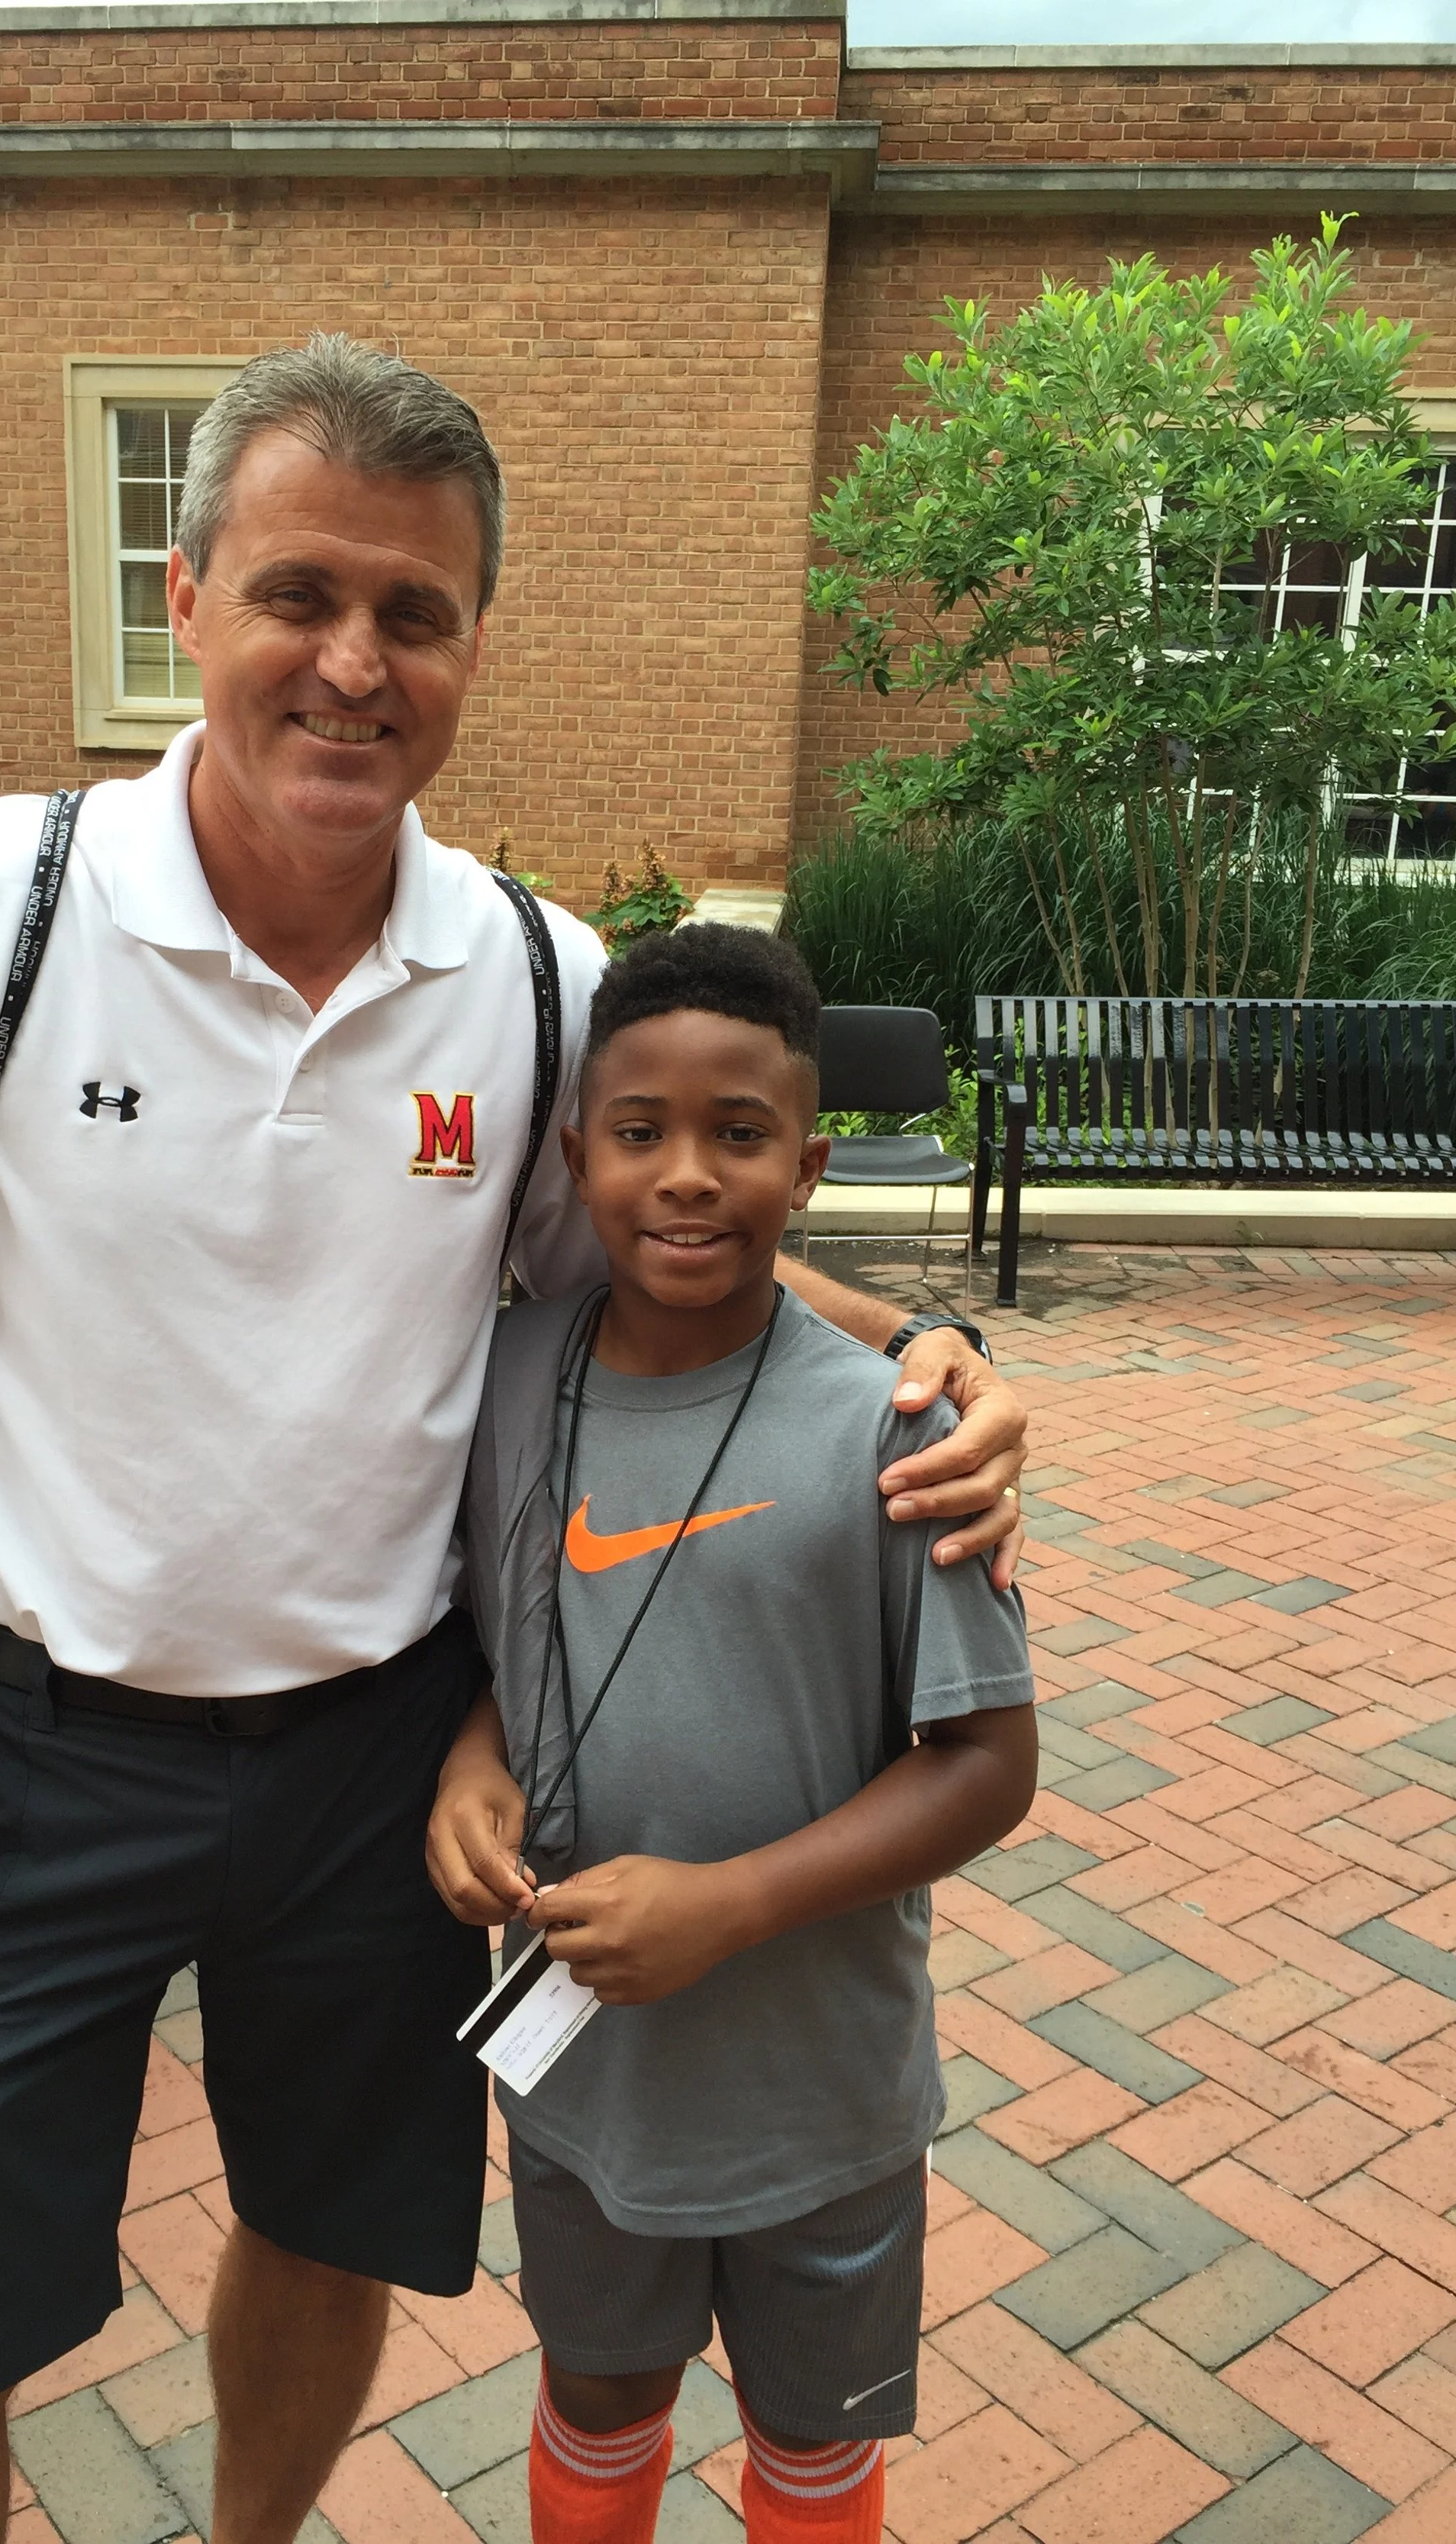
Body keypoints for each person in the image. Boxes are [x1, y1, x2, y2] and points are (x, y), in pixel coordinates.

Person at [0, 334, 1031, 2544]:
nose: (351, 664)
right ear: (186, 600)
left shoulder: (527, 977)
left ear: (466, 647)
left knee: (328, 2232)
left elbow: (647, 1244)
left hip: (375, 1761)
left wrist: (922, 1344)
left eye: (412, 613)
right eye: (298, 596)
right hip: (21, 1747)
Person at [430, 925, 1036, 2544]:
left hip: (813, 2092)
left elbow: (987, 1767)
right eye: (638, 1134)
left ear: (810, 1159)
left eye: (739, 1133)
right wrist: (471, 1756)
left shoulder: (894, 1430)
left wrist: (736, 1901)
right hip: (586, 2080)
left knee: (810, 2448)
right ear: (575, 1158)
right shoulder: (508, 1378)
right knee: (596, 2398)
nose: (684, 1176)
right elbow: (517, 1640)